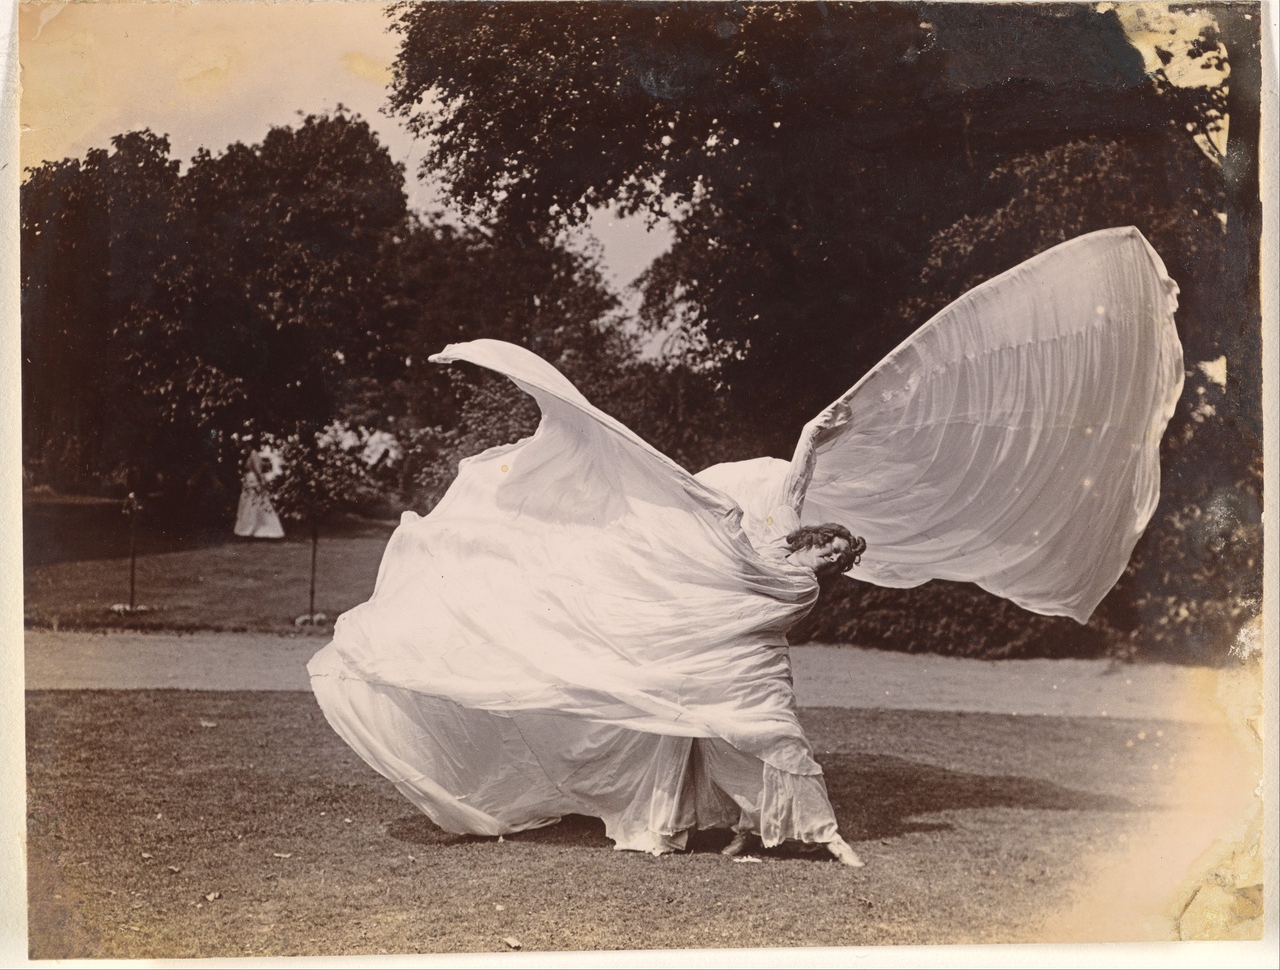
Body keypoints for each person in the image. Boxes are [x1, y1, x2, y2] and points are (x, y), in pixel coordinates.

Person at [309, 227, 1184, 869]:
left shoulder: (786, 578)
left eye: (830, 546)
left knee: (744, 734)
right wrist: (815, 443)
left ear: (827, 557)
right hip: (717, 657)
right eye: (826, 538)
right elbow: (781, 513)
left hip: (732, 663)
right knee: (701, 738)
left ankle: (804, 834)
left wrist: (816, 438)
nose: (822, 541)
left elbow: (780, 531)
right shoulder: (771, 552)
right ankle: (733, 830)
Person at [233, 449, 285, 539]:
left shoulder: (253, 453)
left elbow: (257, 470)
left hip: (253, 480)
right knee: (251, 502)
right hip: (249, 480)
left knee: (255, 502)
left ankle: (255, 527)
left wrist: (262, 480)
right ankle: (249, 527)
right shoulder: (250, 454)